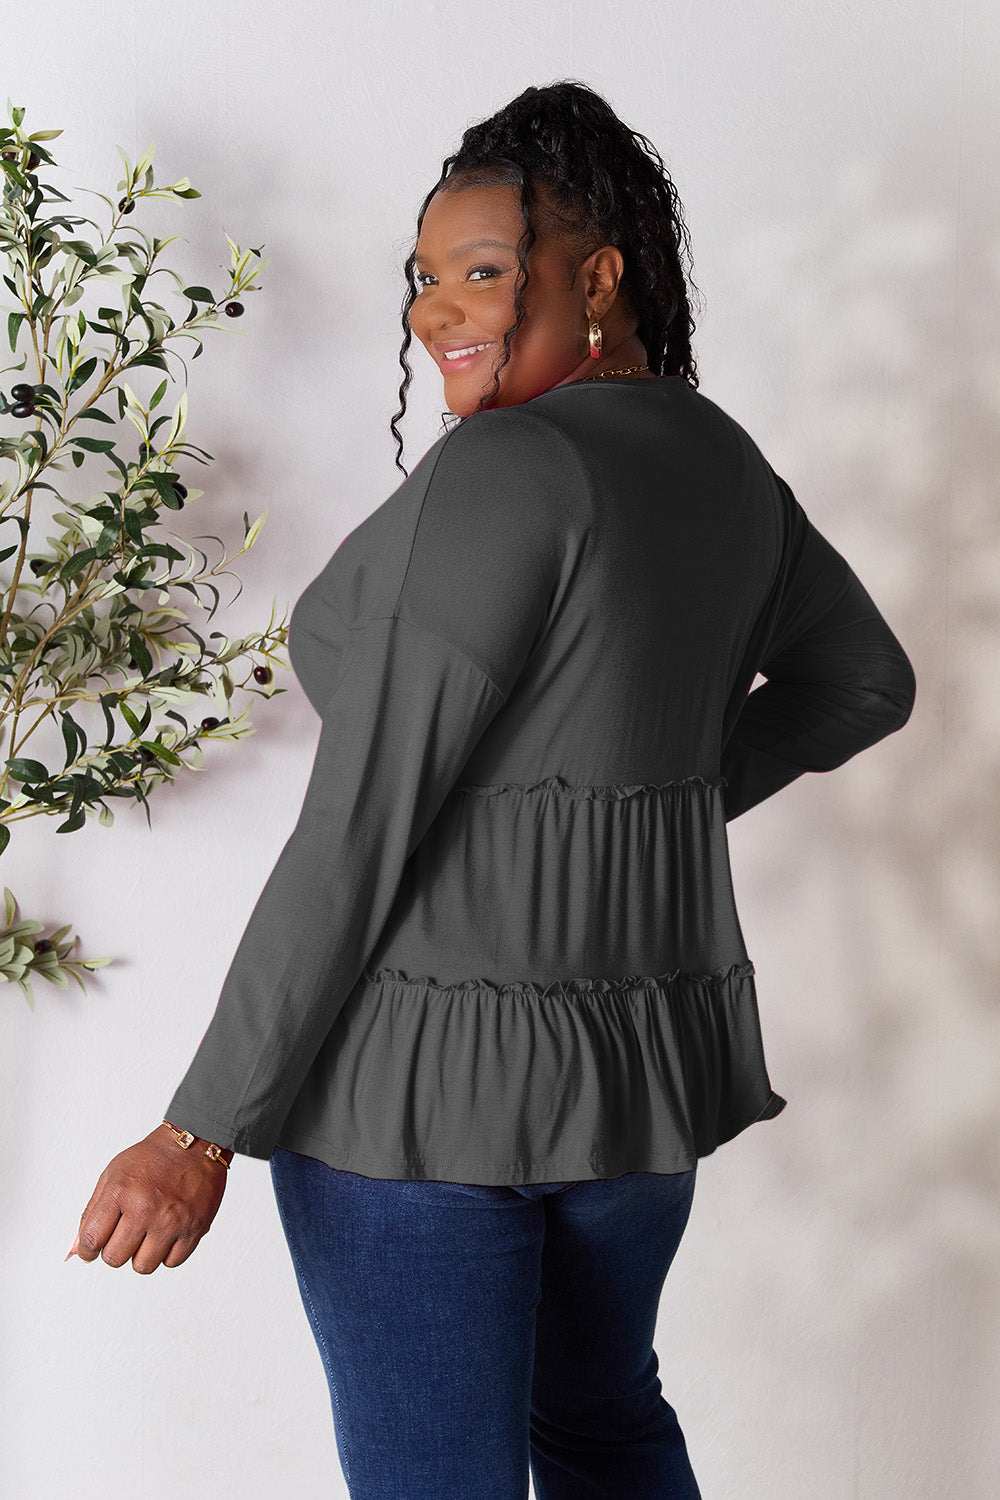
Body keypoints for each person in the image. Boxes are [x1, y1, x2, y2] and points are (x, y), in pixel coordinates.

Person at [66, 81, 916, 1498]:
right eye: (424, 279)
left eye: (481, 271)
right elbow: (863, 684)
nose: (438, 312)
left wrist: (194, 1129)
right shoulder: (716, 459)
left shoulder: (514, 467)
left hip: (417, 1105)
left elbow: (357, 830)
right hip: (634, 1093)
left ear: (598, 276)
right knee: (606, 1432)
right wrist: (649, 803)